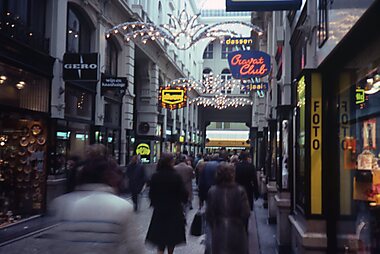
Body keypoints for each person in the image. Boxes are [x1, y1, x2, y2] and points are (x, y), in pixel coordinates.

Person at [50, 145, 142, 254]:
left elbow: (56, 246)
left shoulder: (62, 205)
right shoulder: (122, 208)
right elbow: (134, 248)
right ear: (109, 177)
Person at [146, 153, 188, 254]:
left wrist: (155, 203)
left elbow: (151, 194)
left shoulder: (155, 176)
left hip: (160, 210)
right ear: (170, 163)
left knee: (161, 237)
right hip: (174, 210)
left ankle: (160, 252)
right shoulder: (176, 176)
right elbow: (183, 194)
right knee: (171, 238)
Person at [206, 162, 251, 254]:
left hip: (218, 230)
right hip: (236, 230)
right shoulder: (240, 190)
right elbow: (246, 213)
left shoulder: (212, 191)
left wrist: (214, 224)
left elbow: (209, 214)